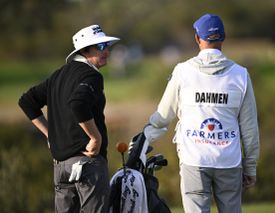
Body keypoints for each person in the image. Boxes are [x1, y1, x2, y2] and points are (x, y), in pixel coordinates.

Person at [143, 14, 260, 213]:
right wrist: (250, 167)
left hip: (194, 159)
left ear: (197, 38)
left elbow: (163, 115)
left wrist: (144, 138)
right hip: (229, 161)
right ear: (223, 37)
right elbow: (249, 129)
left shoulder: (182, 71)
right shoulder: (241, 75)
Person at [18, 24, 120, 212]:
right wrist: (95, 137)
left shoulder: (58, 75)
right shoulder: (92, 76)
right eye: (100, 46)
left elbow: (27, 101)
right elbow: (78, 104)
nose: (106, 51)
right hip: (87, 165)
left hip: (61, 167)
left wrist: (51, 135)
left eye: (107, 45)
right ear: (84, 50)